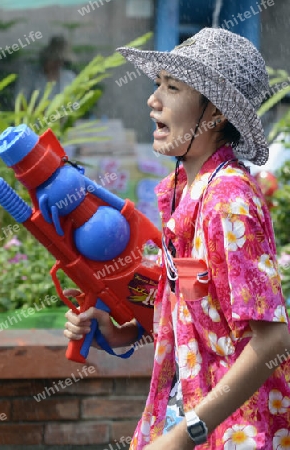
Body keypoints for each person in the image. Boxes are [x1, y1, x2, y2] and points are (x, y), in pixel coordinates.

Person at [64, 28, 290, 450]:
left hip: (237, 431)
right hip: (186, 414)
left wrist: (187, 435)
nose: (153, 100)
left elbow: (273, 341)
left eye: (173, 87)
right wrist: (122, 334)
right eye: (157, 84)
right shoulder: (185, 191)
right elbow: (199, 310)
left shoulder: (228, 199)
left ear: (216, 112)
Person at [15, 35, 76, 102]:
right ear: (46, 58)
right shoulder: (29, 75)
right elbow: (20, 102)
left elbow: (75, 103)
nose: (57, 64)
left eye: (61, 61)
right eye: (55, 60)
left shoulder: (70, 77)